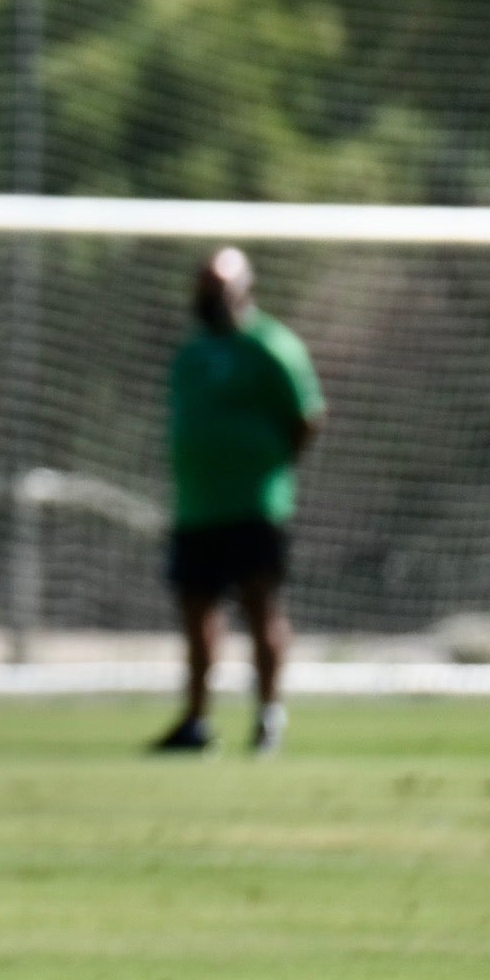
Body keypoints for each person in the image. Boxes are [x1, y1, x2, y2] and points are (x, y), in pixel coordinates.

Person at [152, 248, 323, 757]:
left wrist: (267, 466)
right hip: (196, 505)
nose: (208, 300)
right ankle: (196, 722)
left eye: (218, 289)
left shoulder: (272, 346)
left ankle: (268, 717)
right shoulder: (190, 354)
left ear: (244, 289)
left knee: (259, 607)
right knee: (195, 611)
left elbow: (307, 416)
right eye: (203, 289)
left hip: (254, 504)